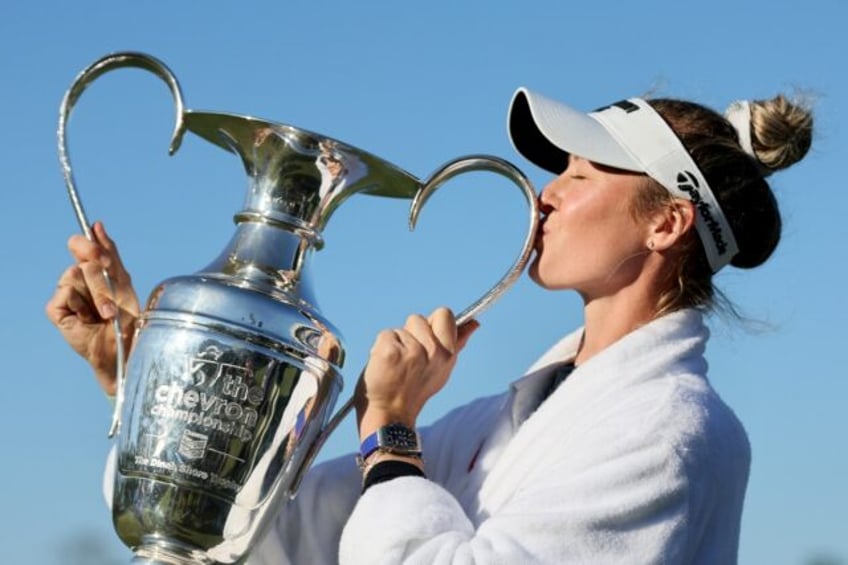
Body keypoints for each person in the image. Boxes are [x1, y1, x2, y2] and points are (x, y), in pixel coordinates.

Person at [47, 85, 813, 564]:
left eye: (580, 174)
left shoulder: (674, 429)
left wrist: (389, 429)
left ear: (667, 223)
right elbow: (271, 544)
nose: (546, 195)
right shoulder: (500, 418)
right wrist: (160, 382)